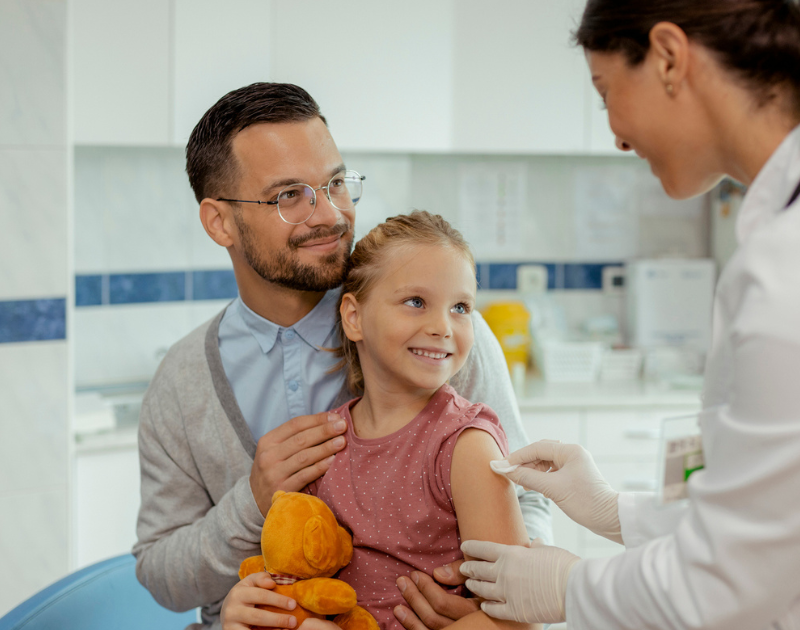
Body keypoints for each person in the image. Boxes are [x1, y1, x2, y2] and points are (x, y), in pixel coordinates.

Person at [457, 0, 800, 629]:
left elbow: (725, 584)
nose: (615, 132)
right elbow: (788, 501)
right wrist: (617, 511)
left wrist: (571, 585)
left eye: (605, 91)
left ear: (669, 58)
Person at [131, 83, 552, 630]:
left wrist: (492, 602)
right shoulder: (183, 381)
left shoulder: (433, 338)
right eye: (289, 196)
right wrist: (254, 502)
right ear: (220, 222)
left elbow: (528, 509)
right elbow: (161, 575)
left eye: (334, 184)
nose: (329, 214)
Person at [231, 210, 534, 630]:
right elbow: (303, 578)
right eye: (416, 302)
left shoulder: (466, 447)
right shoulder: (327, 444)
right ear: (354, 317)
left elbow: (521, 618)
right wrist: (254, 607)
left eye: (461, 307)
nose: (443, 327)